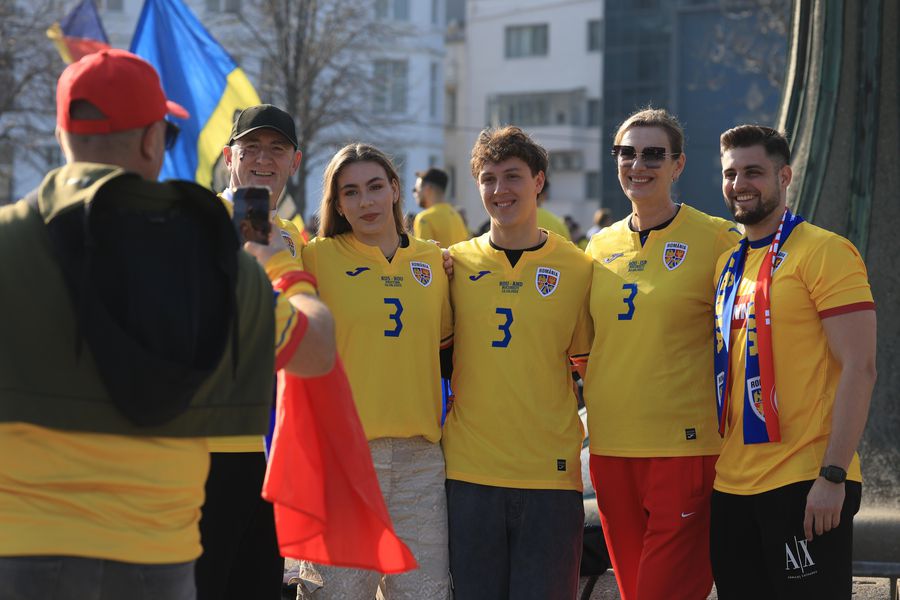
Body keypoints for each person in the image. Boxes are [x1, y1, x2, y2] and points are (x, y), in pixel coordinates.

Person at [0, 49, 334, 600]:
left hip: (24, 546)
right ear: (155, 140)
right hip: (152, 548)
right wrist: (278, 269)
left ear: (61, 131)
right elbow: (315, 348)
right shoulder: (206, 246)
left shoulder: (10, 238)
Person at [711, 125, 876, 599]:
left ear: (785, 176)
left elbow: (861, 368)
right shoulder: (729, 264)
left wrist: (833, 475)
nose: (740, 183)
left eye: (754, 172)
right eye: (730, 173)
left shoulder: (826, 251)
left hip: (806, 483)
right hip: (732, 487)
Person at [582, 107, 740, 600]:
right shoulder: (597, 246)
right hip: (610, 449)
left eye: (654, 154)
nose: (638, 164)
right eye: (626, 153)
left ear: (678, 165)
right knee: (635, 591)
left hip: (684, 447)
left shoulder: (717, 237)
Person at [295, 144, 452, 600]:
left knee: (423, 595)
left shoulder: (436, 262)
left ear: (395, 190)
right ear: (337, 204)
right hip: (343, 461)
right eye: (351, 192)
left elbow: (446, 347)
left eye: (375, 187)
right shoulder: (317, 258)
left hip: (419, 462)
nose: (365, 202)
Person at [443, 126, 592, 600]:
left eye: (513, 177)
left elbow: (590, 368)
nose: (500, 190)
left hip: (549, 474)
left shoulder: (578, 267)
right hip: (470, 473)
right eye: (488, 179)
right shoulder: (454, 265)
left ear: (539, 181)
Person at [196, 102, 311, 600]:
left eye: (277, 149)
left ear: (295, 162)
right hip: (213, 448)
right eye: (251, 148)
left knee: (259, 584)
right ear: (228, 156)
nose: (264, 159)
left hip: (277, 449)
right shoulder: (204, 217)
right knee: (205, 583)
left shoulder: (295, 237)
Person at [412, 167, 469, 247]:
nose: (415, 194)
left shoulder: (424, 218)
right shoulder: (456, 216)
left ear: (427, 189)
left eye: (416, 189)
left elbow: (423, 256)